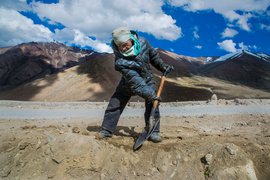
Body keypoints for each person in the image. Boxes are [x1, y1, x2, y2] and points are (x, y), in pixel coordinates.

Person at [98, 27, 173, 142]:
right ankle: (106, 130)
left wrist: (162, 66)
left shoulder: (143, 42)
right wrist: (151, 95)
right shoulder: (120, 61)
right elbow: (136, 82)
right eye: (120, 46)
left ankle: (153, 132)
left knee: (153, 105)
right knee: (115, 104)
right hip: (128, 83)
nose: (123, 48)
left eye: (125, 44)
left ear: (130, 39)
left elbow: (153, 56)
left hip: (147, 79)